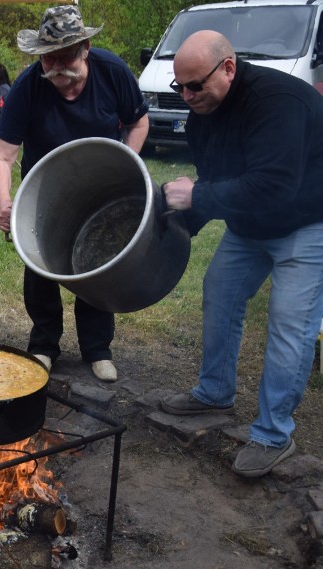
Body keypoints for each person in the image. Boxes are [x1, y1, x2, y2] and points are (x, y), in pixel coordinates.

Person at [159, 30, 323, 478]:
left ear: (228, 67)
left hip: (308, 222)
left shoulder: (276, 102)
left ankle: (273, 435)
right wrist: (174, 226)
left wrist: (197, 198)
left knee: (290, 324)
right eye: (181, 87)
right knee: (221, 292)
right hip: (251, 225)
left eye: (196, 85)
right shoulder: (203, 115)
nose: (188, 96)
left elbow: (274, 185)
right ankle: (213, 392)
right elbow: (216, 182)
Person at [0, 5, 149, 382]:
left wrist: (127, 164)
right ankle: (44, 345)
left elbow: (138, 121)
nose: (57, 67)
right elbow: (2, 155)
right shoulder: (28, 87)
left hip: (101, 186)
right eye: (49, 59)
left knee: (96, 263)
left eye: (65, 57)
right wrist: (5, 204)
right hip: (43, 190)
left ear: (86, 48)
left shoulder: (112, 72)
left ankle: (97, 349)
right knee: (40, 265)